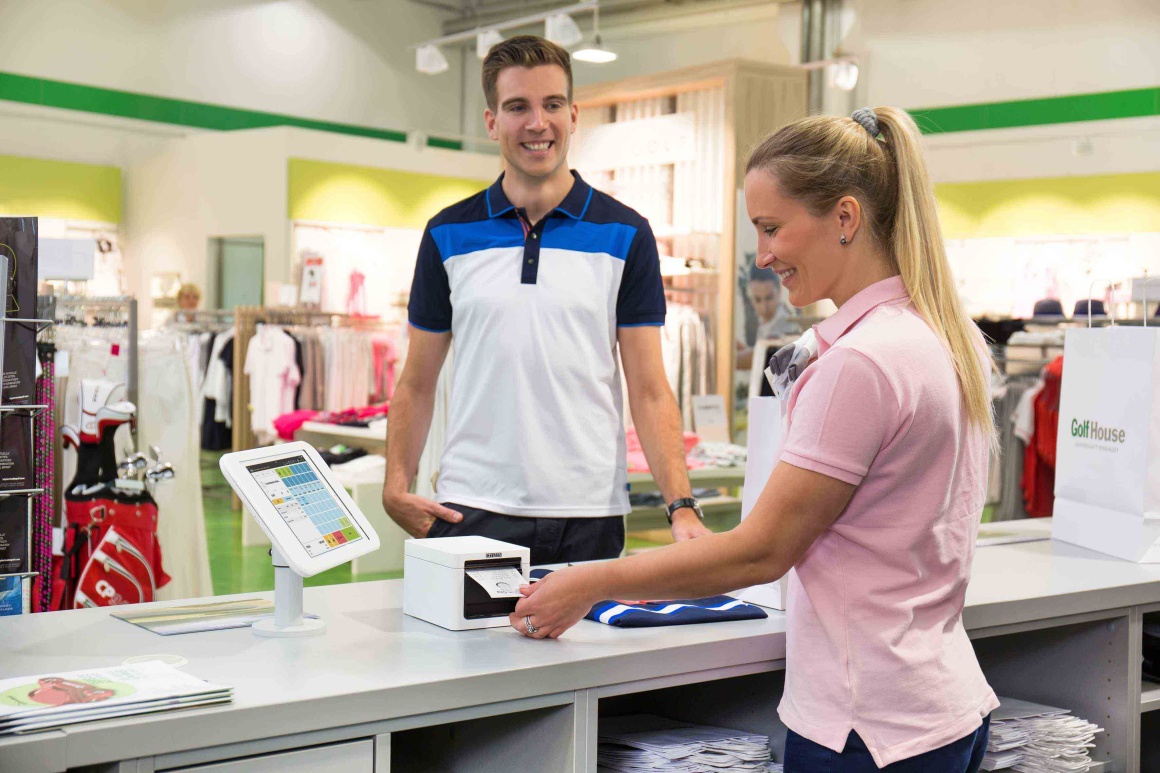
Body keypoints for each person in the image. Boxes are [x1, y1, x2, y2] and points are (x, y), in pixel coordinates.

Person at [510, 106, 998, 773]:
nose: (763, 256)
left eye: (772, 228)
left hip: (865, 725)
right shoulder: (939, 336)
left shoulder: (861, 364)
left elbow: (760, 553)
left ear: (846, 218)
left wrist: (591, 582)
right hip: (938, 704)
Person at [382, 35, 712, 565]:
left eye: (552, 104)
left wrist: (682, 506)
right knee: (462, 652)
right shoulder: (446, 234)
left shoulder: (626, 234)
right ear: (492, 122)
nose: (538, 123)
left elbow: (649, 390)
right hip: (472, 506)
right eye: (517, 107)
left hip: (590, 512)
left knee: (590, 652)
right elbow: (417, 382)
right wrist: (395, 483)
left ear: (573, 114)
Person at [736, 262, 799, 369]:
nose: (763, 307)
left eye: (768, 298)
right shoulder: (767, 322)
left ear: (779, 290)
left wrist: (723, 356)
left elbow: (759, 358)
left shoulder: (785, 324)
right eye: (757, 300)